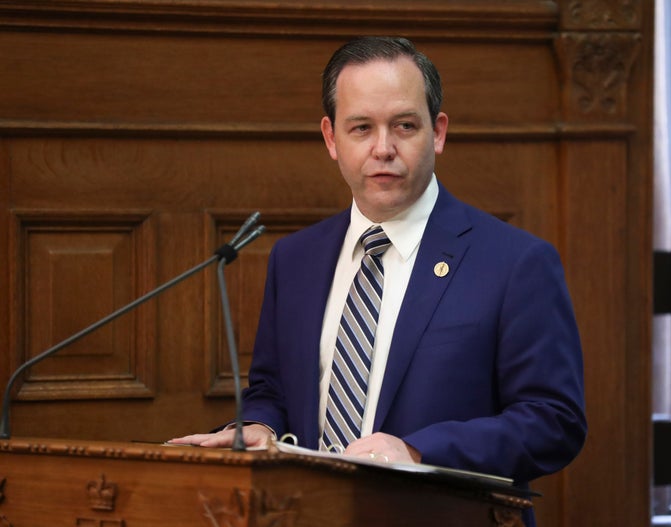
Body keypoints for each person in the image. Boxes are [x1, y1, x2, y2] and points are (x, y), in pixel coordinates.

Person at [171, 36, 586, 524]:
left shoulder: (516, 262)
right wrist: (261, 426)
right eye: (361, 127)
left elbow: (554, 422)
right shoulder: (295, 259)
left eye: (404, 126)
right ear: (331, 138)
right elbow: (272, 390)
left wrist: (416, 451)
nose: (383, 148)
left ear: (438, 132)